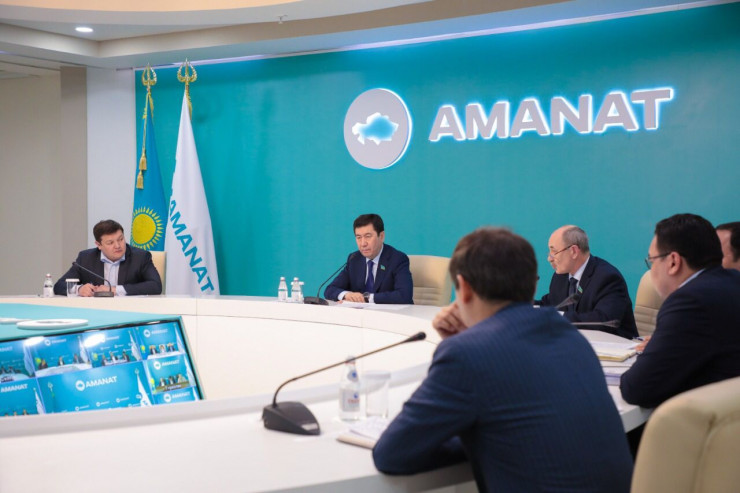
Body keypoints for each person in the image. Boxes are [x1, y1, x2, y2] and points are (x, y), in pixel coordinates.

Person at [373, 227, 633, 492]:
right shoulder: (573, 339)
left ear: (464, 288)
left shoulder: (466, 355)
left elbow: (391, 453)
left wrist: (478, 436)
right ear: (533, 284)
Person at [620, 213, 740, 409]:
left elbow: (636, 388)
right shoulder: (733, 282)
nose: (651, 269)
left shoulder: (690, 301)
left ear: (673, 261)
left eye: (652, 260)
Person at [538, 225, 638, 339]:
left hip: (614, 345)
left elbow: (604, 321)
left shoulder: (607, 277)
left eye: (554, 252)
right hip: (576, 342)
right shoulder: (561, 276)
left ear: (573, 251)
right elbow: (550, 303)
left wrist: (558, 318)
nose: (549, 258)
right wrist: (525, 306)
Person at [54, 219, 162, 297]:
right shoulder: (86, 258)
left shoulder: (140, 257)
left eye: (120, 239)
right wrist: (79, 289)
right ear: (99, 245)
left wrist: (114, 290)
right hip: (96, 312)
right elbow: (59, 286)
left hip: (130, 311)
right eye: (110, 243)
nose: (118, 246)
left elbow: (156, 286)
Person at [324, 214, 413, 304]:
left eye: (368, 236)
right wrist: (347, 295)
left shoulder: (397, 259)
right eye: (359, 237)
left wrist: (366, 298)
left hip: (390, 312)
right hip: (361, 312)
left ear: (381, 236)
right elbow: (330, 289)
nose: (363, 243)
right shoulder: (354, 259)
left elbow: (404, 295)